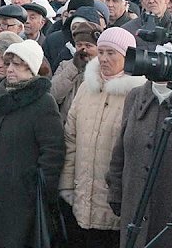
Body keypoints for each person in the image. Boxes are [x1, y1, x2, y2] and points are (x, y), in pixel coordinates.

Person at [0, 40, 65, 248]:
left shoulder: (43, 102)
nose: (10, 69)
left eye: (18, 64)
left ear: (31, 68)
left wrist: (34, 187)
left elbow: (52, 152)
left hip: (17, 200)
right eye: (9, 63)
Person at [59, 27, 146, 247]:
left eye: (112, 53)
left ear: (128, 57)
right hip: (81, 198)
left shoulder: (137, 94)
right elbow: (70, 140)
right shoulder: (86, 88)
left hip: (115, 205)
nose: (105, 59)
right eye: (102, 52)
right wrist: (67, 186)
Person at [106, 79, 172, 248]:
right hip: (133, 209)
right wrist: (116, 192)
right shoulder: (135, 96)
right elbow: (120, 149)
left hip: (170, 215)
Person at [50, 21, 102, 123]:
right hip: (66, 124)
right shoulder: (65, 65)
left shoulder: (104, 68)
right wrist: (74, 68)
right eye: (79, 45)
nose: (83, 50)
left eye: (88, 46)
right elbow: (53, 94)